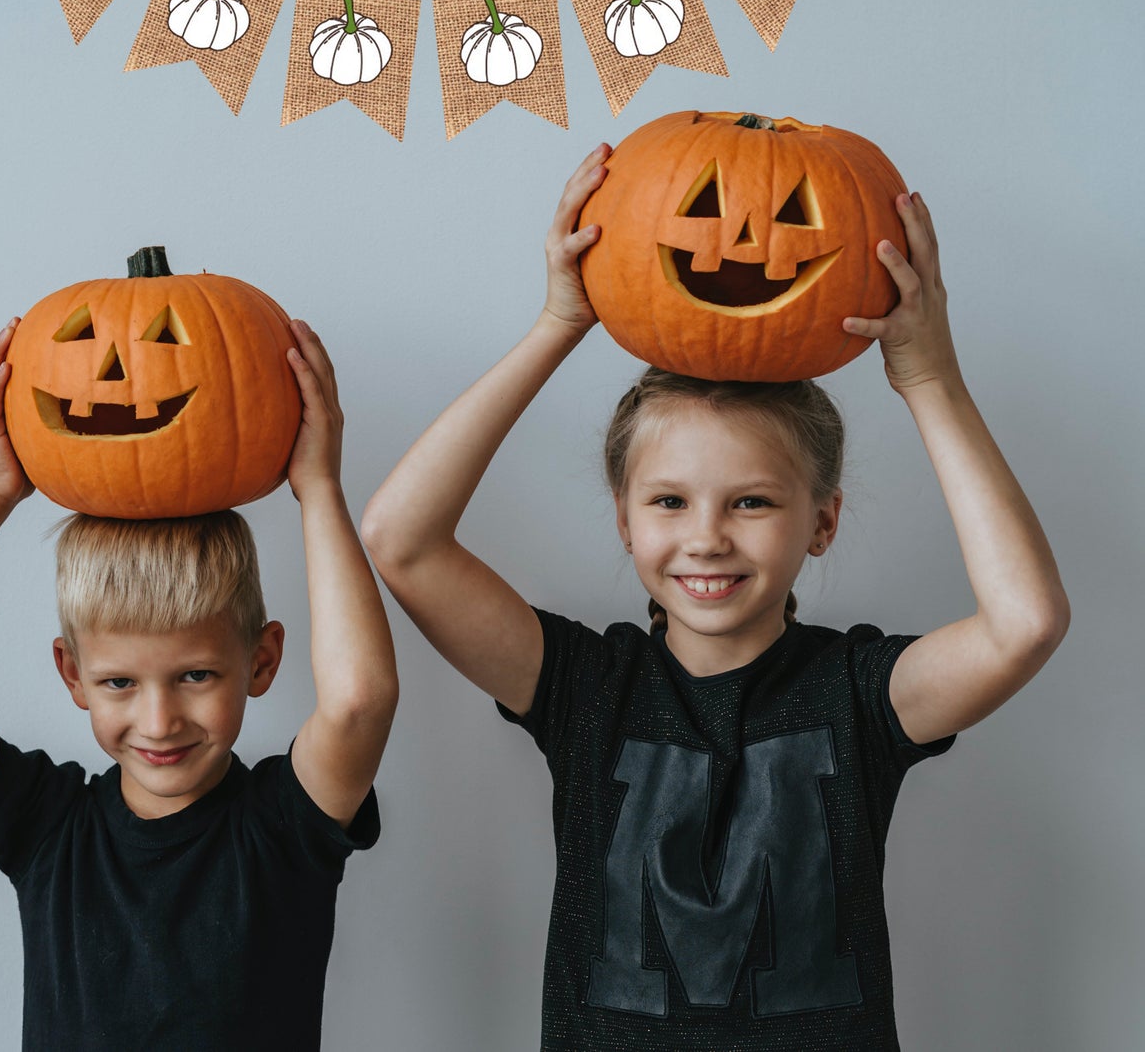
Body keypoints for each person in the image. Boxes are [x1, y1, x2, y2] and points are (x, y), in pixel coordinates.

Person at [361, 143, 1069, 1051]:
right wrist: (557, 322)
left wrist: (928, 378)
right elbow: (399, 538)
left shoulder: (859, 693)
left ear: (822, 522)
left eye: (752, 501)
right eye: (669, 501)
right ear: (624, 520)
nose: (706, 536)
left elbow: (1026, 623)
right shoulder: (582, 686)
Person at [0, 317, 397, 1052]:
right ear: (73, 675)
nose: (159, 719)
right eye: (119, 682)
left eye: (196, 675)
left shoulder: (282, 826)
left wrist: (318, 487)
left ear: (261, 661)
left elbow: (358, 699)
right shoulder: (46, 826)